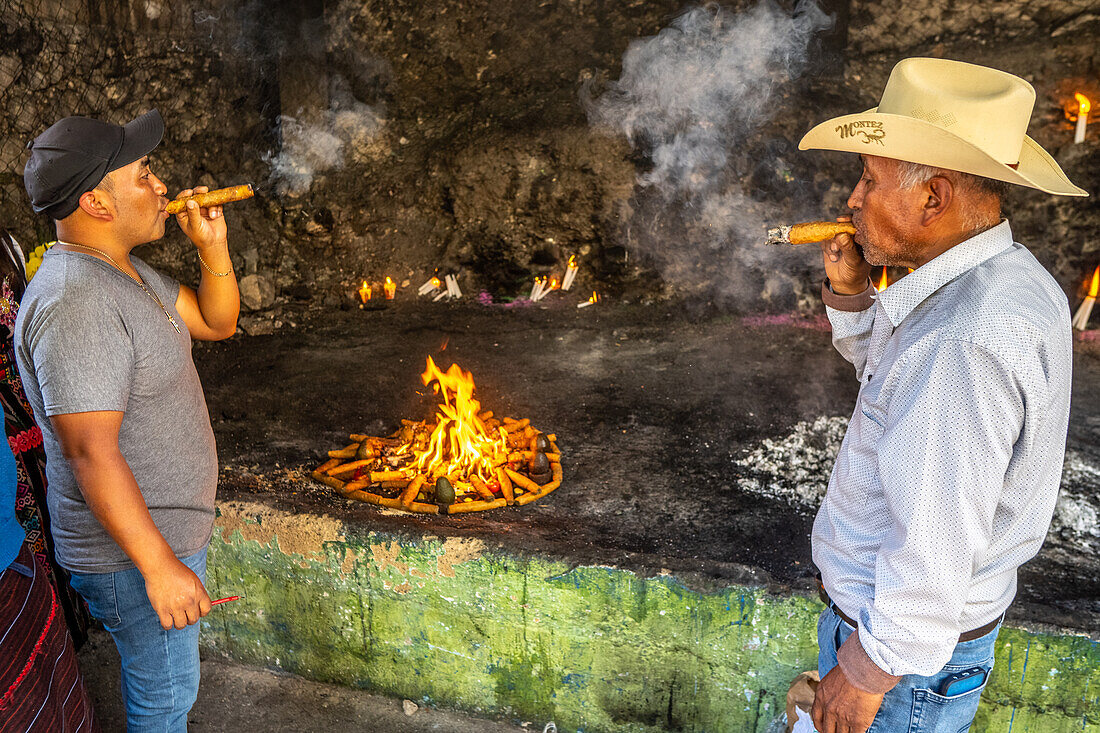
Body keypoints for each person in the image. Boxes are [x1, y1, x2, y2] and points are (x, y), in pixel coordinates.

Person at [797, 58, 1087, 733]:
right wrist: (851, 294)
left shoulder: (961, 339)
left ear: (934, 197)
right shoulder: (1000, 279)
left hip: (899, 669)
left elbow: (933, 544)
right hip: (911, 649)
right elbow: (896, 379)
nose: (852, 199)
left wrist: (864, 675)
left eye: (869, 179)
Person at [15, 109, 240, 731]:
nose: (162, 186)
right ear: (97, 201)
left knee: (168, 688)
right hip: (133, 555)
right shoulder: (76, 302)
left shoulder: (123, 270)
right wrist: (159, 566)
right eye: (143, 174)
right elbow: (90, 453)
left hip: (158, 539)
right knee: (165, 698)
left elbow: (217, 322)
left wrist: (212, 246)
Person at [0, 228, 94, 651]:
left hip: (36, 413)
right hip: (5, 435)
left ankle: (69, 635)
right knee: (26, 534)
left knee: (56, 521)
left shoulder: (8, 244)